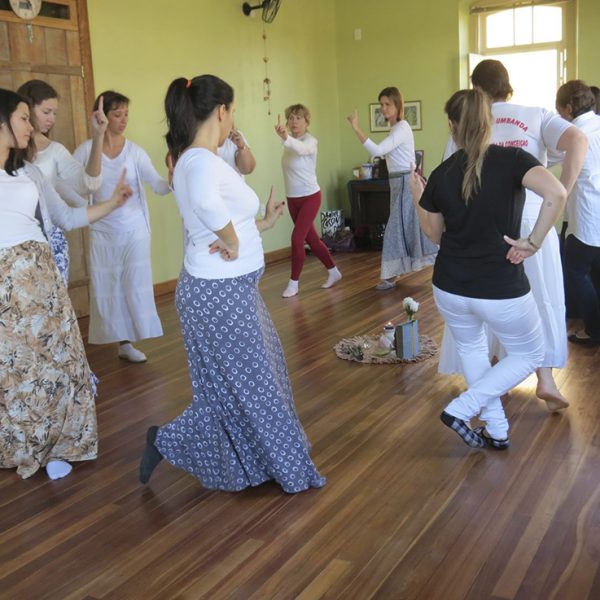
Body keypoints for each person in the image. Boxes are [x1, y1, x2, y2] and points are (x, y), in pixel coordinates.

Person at [139, 74, 326, 493]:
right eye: (233, 110)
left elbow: (220, 215)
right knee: (255, 386)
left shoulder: (201, 158)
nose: (233, 118)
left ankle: (176, 443)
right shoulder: (199, 160)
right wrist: (232, 239)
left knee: (247, 384)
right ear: (221, 111)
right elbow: (207, 207)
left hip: (228, 290)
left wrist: (261, 224)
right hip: (218, 293)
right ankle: (286, 470)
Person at [409, 88, 566, 449]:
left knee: (475, 352)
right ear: (490, 122)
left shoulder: (441, 172)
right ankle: (462, 408)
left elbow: (434, 235)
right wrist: (533, 242)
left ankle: (496, 429)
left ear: (452, 125)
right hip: (498, 288)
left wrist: (419, 199)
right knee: (532, 352)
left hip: (449, 287)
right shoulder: (514, 159)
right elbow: (557, 194)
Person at [440, 60, 587, 412]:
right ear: (508, 85)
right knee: (542, 297)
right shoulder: (535, 113)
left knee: (486, 297)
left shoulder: (470, 121)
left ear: (476, 90)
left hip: (486, 225)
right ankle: (546, 379)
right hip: (535, 220)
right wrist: (560, 192)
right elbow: (578, 139)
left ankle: (494, 377)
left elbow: (449, 178)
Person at [0, 89, 132, 479]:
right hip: (6, 284)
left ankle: (61, 443)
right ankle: (23, 444)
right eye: (23, 118)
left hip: (40, 275)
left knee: (60, 361)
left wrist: (112, 203)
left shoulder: (30, 172)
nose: (31, 126)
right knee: (15, 368)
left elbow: (66, 217)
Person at [74, 91, 171, 363]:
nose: (124, 119)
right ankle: (119, 341)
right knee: (109, 287)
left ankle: (127, 342)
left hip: (135, 230)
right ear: (101, 116)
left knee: (132, 285)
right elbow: (70, 182)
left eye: (126, 113)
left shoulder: (135, 152)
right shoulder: (86, 150)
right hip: (103, 232)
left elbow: (158, 185)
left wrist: (173, 178)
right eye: (118, 114)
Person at [17, 79, 107, 282]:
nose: (52, 119)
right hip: (13, 244)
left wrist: (98, 136)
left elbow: (88, 184)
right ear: (27, 108)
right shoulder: (8, 149)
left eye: (55, 113)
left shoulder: (55, 150)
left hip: (49, 238)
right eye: (46, 112)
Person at [347, 87, 437, 290]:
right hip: (399, 183)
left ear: (397, 105)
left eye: (387, 104)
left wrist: (356, 128)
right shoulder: (396, 128)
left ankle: (390, 276)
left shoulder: (402, 127)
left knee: (395, 230)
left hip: (406, 183)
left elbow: (378, 150)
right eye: (381, 105)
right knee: (413, 227)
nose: (383, 108)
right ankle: (399, 272)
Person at [274, 104, 341, 297]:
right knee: (312, 240)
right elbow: (292, 149)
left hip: (310, 197)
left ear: (306, 121)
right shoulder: (288, 144)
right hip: (293, 198)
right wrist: (286, 139)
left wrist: (285, 137)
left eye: (299, 118)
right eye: (291, 118)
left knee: (297, 239)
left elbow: (302, 150)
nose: (294, 122)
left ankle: (293, 283)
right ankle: (333, 272)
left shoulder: (311, 141)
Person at [555, 80, 600, 344]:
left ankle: (593, 329)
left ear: (569, 108)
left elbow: (565, 183)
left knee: (575, 271)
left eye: (560, 110)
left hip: (586, 218)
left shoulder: (575, 135)